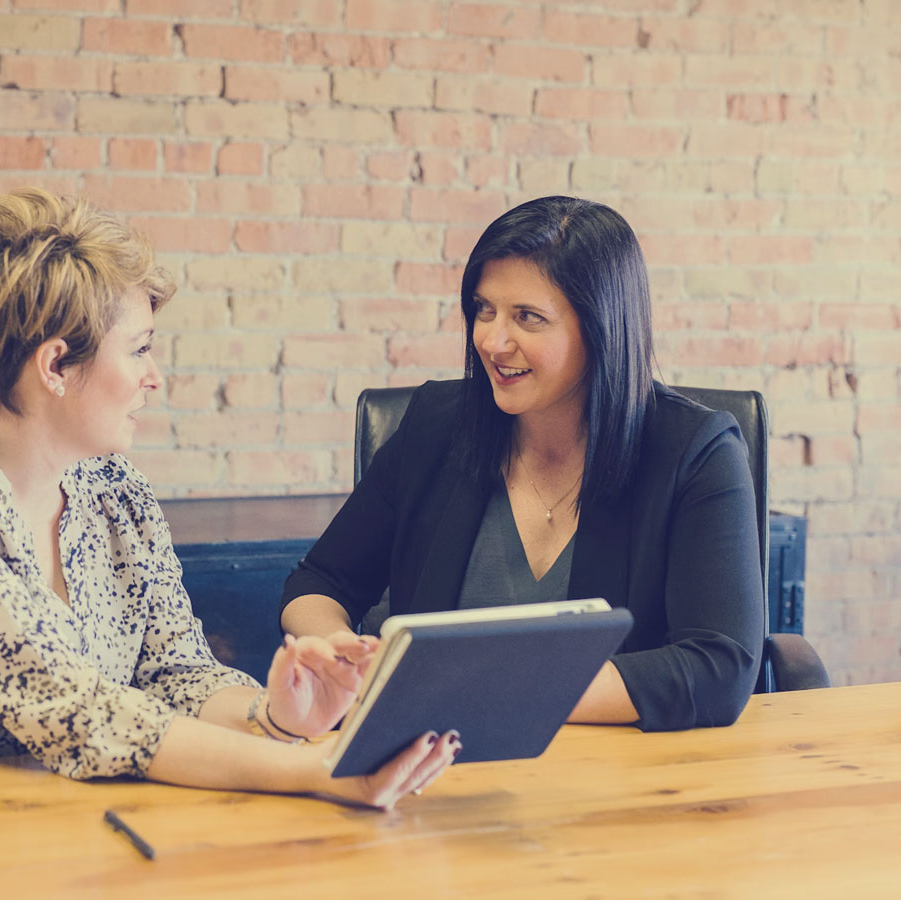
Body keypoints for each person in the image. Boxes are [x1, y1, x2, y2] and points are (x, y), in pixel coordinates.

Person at [0, 189, 457, 808]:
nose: (154, 377)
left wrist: (276, 717)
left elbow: (176, 672)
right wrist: (315, 770)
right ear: (55, 366)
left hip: (37, 822)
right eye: (139, 349)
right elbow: (81, 713)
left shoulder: (113, 491)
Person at [281, 196, 763, 732]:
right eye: (484, 310)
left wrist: (479, 691)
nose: (491, 340)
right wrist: (338, 654)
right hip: (432, 769)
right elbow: (319, 582)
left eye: (528, 318)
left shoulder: (695, 451)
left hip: (617, 777)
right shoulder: (437, 425)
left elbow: (719, 666)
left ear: (601, 327)